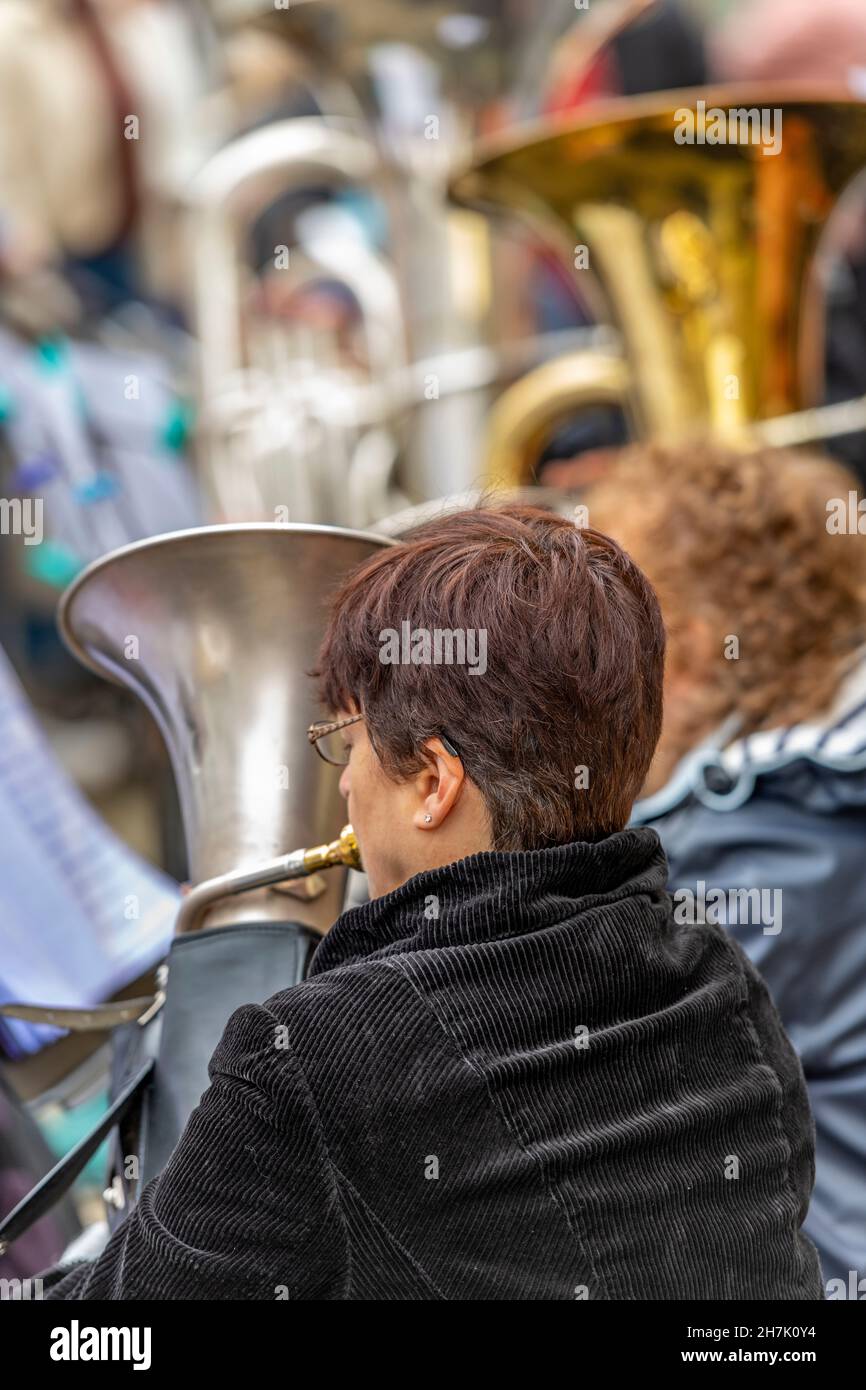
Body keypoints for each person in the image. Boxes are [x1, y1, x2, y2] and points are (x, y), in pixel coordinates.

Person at [41, 505, 822, 1299]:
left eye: (346, 747)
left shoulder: (313, 1058)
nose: (344, 786)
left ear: (434, 783)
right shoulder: (720, 977)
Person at [586, 443, 866, 1289]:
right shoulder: (818, 794)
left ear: (694, 654)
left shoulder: (747, 850)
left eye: (599, 648)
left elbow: (599, 1102)